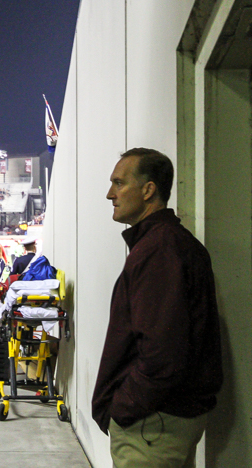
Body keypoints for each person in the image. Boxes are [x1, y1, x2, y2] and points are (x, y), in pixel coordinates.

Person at [93, 148, 222, 468]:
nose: (110, 194)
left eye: (119, 183)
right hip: (162, 419)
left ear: (149, 190)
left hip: (153, 425)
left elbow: (163, 353)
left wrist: (123, 408)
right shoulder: (169, 243)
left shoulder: (160, 249)